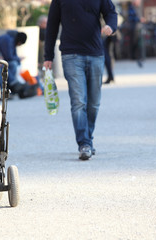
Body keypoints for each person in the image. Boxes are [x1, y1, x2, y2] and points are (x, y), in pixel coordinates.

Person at [43, 0, 117, 160]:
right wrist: (48, 55)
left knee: (94, 103)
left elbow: (111, 12)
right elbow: (52, 25)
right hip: (71, 55)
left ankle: (88, 139)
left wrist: (111, 26)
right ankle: (84, 143)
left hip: (96, 53)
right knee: (78, 101)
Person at [0, 30, 37, 99]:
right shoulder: (7, 39)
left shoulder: (11, 39)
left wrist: (18, 60)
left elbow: (12, 56)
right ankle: (14, 84)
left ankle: (15, 86)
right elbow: (8, 56)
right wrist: (19, 59)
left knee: (13, 64)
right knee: (10, 65)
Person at [127, 0, 145, 68]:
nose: (139, 2)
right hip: (133, 28)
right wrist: (139, 19)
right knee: (133, 42)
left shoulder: (137, 8)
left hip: (137, 27)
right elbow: (131, 17)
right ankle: (132, 57)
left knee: (137, 42)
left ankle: (136, 56)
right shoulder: (132, 7)